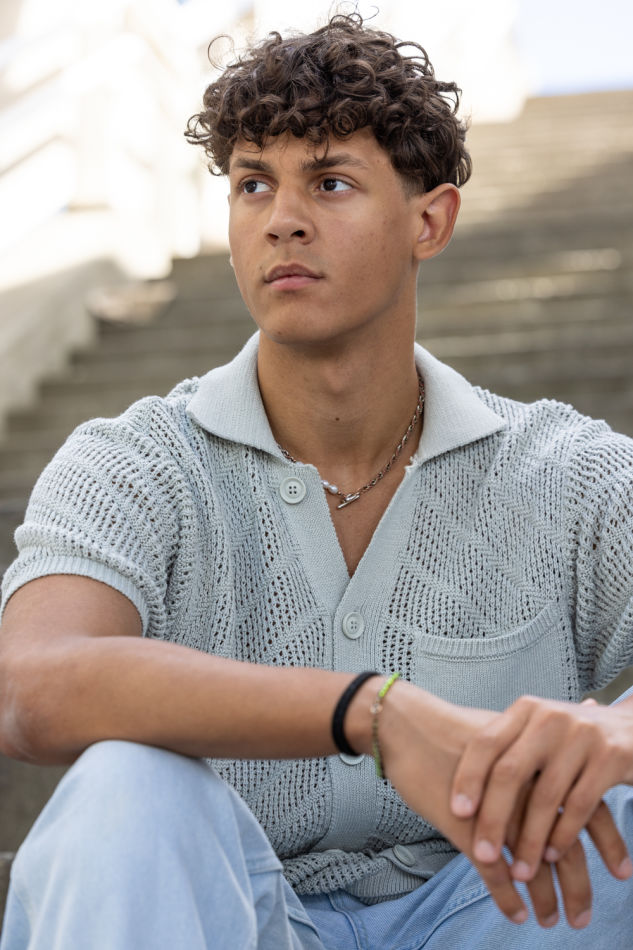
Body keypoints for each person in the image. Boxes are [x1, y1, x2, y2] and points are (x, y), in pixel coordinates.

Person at [1, 13, 633, 949]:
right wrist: (372, 713)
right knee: (123, 788)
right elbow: (30, 683)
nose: (281, 219)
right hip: (234, 915)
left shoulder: (567, 471)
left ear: (429, 221)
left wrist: (617, 735)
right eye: (252, 184)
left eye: (330, 182)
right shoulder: (133, 462)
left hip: (508, 915)